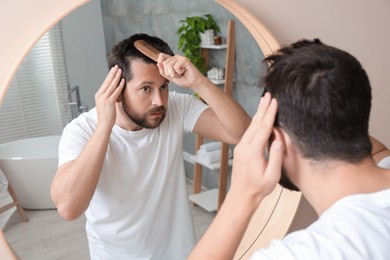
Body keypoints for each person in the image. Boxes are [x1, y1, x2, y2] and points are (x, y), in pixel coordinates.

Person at [50, 33, 250, 259]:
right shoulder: (81, 130)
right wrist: (105, 126)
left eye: (163, 87)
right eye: (146, 88)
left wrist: (199, 83)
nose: (159, 101)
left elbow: (243, 133)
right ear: (117, 89)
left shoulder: (176, 107)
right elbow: (68, 207)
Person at [188, 39, 390, 259]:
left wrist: (242, 194)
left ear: (276, 139)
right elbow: (379, 152)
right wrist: (329, 119)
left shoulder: (310, 252)